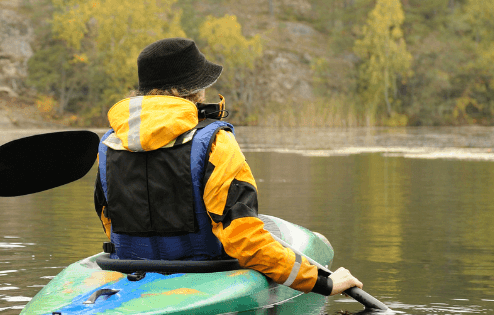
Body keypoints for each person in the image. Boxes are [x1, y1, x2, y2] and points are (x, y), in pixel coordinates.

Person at [94, 37, 360, 297]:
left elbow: (109, 221)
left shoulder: (109, 144)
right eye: (203, 84)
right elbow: (244, 240)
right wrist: (322, 282)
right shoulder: (214, 142)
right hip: (205, 274)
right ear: (190, 91)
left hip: (131, 270)